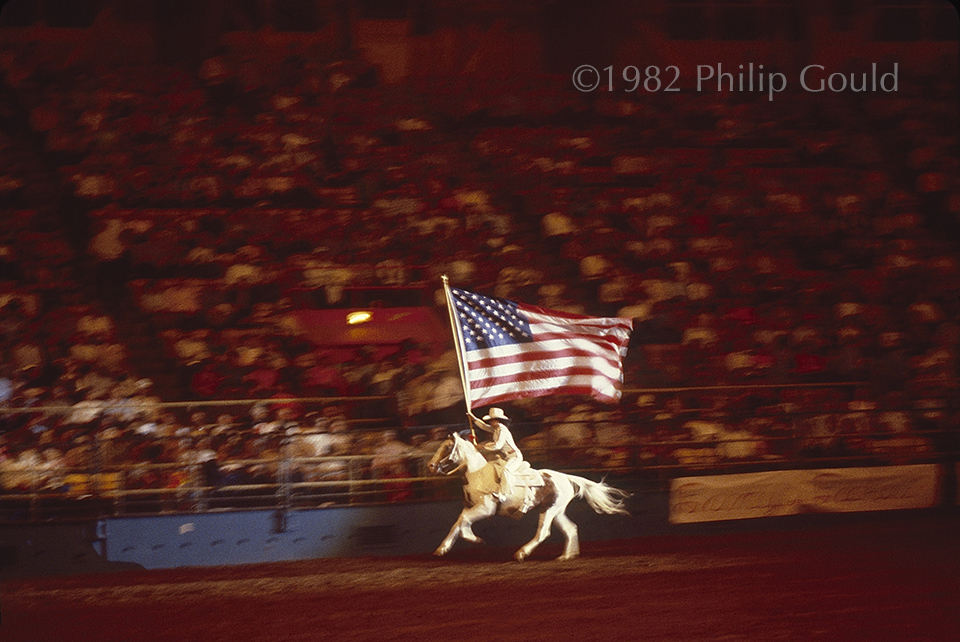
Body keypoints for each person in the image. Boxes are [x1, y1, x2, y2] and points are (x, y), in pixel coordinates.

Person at [467, 407, 525, 503]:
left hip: (514, 456)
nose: (490, 422)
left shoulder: (502, 430)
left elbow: (497, 446)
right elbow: (484, 426)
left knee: (506, 470)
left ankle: (504, 495)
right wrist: (473, 419)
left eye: (491, 420)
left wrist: (482, 447)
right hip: (506, 457)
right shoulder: (496, 429)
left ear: (497, 420)